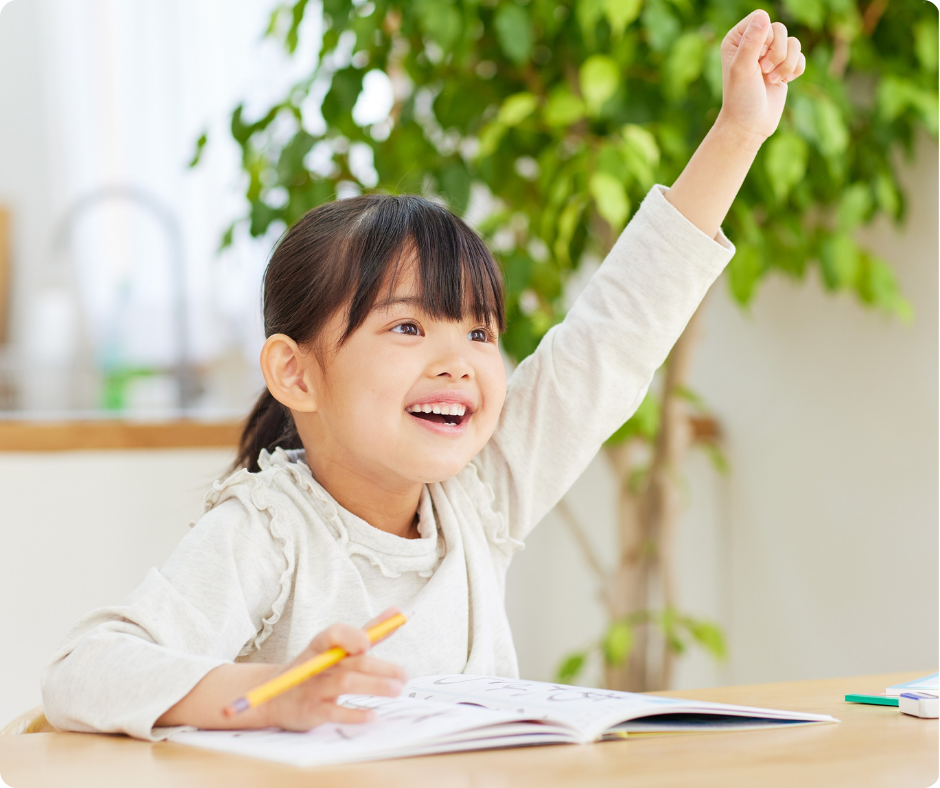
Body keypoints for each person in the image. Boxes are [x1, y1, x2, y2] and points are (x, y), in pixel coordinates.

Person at [42, 10, 805, 740]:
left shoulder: (479, 497)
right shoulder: (267, 530)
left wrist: (738, 132)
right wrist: (274, 699)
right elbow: (86, 674)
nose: (459, 360)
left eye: (479, 330)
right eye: (408, 327)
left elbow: (618, 333)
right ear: (296, 373)